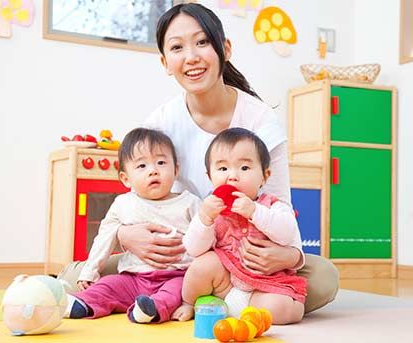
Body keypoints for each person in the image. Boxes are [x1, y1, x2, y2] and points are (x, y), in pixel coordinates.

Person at [58, 3, 339, 315]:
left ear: (225, 49)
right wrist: (126, 235)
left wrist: (290, 257)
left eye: (203, 42)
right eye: (177, 47)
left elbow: (281, 207)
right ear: (165, 62)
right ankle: (202, 297)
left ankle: (203, 298)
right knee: (74, 278)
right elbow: (136, 198)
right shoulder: (160, 123)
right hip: (177, 257)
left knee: (323, 277)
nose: (191, 56)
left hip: (245, 253)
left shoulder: (260, 121)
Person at [65, 128, 200, 323]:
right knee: (108, 285)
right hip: (134, 277)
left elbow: (208, 235)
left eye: (161, 163)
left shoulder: (190, 203)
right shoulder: (123, 203)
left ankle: (150, 310)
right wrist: (89, 271)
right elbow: (105, 237)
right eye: (142, 166)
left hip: (177, 274)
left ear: (176, 170)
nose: (153, 170)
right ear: (125, 178)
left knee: (179, 291)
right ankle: (82, 304)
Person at [183, 128, 306, 324]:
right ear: (209, 176)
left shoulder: (273, 205)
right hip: (225, 280)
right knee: (202, 265)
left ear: (265, 176)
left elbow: (287, 234)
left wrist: (254, 212)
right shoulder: (211, 208)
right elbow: (193, 249)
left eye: (244, 168)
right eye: (223, 169)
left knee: (287, 309)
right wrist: (205, 218)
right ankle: (189, 303)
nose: (232, 176)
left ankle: (233, 306)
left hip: (266, 283)